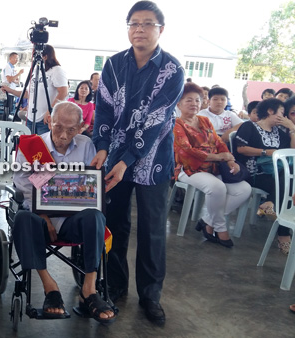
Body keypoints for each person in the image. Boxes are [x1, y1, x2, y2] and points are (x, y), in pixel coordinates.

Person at [90, 0, 184, 325]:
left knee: (152, 229)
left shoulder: (172, 70)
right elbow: (102, 108)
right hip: (114, 158)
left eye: (147, 23)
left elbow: (156, 121)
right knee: (114, 223)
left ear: (160, 29)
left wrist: (127, 159)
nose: (139, 29)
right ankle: (115, 285)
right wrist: (102, 147)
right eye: (133, 23)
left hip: (154, 162)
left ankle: (151, 296)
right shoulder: (113, 65)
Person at [12, 101, 116, 324]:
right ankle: (51, 289)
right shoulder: (32, 146)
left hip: (72, 219)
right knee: (22, 218)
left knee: (96, 216)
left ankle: (89, 289)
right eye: (58, 126)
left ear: (80, 128)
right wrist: (44, 216)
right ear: (49, 121)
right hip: (41, 219)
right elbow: (22, 185)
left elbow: (91, 187)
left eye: (71, 129)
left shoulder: (87, 145)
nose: (64, 134)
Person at [173, 83, 251, 248]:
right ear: (178, 104)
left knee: (244, 189)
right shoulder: (176, 124)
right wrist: (218, 156)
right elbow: (186, 151)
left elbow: (218, 142)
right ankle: (220, 229)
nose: (194, 103)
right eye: (188, 100)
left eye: (197, 100)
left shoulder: (204, 120)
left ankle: (208, 221)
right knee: (217, 188)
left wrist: (229, 159)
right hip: (188, 169)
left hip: (212, 168)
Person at [234, 98, 295, 254]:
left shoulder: (279, 133)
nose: (284, 117)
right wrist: (266, 152)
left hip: (274, 175)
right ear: (270, 111)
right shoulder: (249, 126)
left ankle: (271, 205)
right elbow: (240, 149)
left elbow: (292, 152)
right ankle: (283, 235)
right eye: (282, 113)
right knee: (287, 185)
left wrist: (292, 129)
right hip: (253, 172)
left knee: (288, 180)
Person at [2, 45, 68, 135]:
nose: (33, 59)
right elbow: (29, 93)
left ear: (45, 56)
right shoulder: (36, 71)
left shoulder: (56, 70)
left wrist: (50, 111)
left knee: (43, 147)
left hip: (45, 118)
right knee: (30, 146)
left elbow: (63, 92)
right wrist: (10, 90)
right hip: (31, 117)